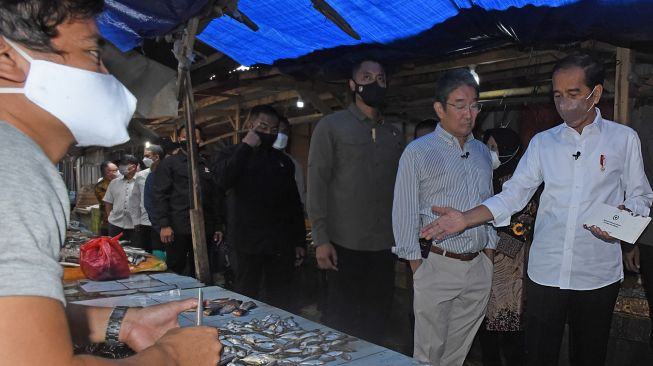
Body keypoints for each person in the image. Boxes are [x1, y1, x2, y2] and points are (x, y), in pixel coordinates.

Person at [0, 1, 221, 365]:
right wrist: (174, 357)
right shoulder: (15, 167)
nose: (106, 74)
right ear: (7, 59)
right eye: (91, 52)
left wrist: (122, 322)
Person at [422, 54, 653, 366]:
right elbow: (513, 195)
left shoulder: (623, 139)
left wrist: (621, 217)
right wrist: (465, 219)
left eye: (573, 94)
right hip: (546, 273)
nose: (563, 103)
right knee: (539, 355)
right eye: (557, 95)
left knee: (590, 355)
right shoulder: (544, 143)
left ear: (595, 94)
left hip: (596, 273)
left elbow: (641, 196)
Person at [392, 68, 497, 366]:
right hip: (436, 264)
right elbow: (404, 213)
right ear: (440, 108)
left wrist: (489, 252)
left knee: (457, 353)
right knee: (428, 354)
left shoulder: (480, 152)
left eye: (474, 105)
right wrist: (418, 267)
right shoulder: (418, 152)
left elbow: (488, 204)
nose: (469, 113)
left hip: (478, 266)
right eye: (460, 105)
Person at [307, 59, 404, 344]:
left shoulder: (394, 133)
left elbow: (401, 189)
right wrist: (320, 239)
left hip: (384, 245)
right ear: (353, 85)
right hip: (343, 245)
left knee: (377, 321)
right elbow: (317, 182)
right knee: (342, 322)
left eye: (381, 78)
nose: (375, 83)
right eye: (367, 77)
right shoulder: (331, 126)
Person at [212, 105, 306, 311]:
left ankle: (278, 338)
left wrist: (299, 241)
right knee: (246, 295)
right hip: (246, 242)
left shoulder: (283, 162)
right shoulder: (230, 153)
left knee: (281, 299)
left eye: (273, 130)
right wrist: (245, 147)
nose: (269, 134)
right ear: (249, 125)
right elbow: (222, 181)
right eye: (263, 127)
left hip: (279, 243)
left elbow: (293, 203)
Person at [479, 128, 534, 366]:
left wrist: (492, 250)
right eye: (488, 148)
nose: (492, 153)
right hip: (483, 266)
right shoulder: (484, 178)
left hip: (509, 271)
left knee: (509, 334)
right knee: (485, 333)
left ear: (509, 149)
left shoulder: (521, 181)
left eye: (495, 148)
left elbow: (522, 224)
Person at [151, 126, 221, 275]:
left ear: (200, 141)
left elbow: (215, 196)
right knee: (177, 268)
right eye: (185, 137)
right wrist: (164, 224)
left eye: (195, 138)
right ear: (179, 139)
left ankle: (200, 297)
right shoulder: (169, 164)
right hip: (178, 228)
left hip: (204, 227)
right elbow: (160, 195)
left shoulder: (207, 164)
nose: (190, 140)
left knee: (203, 269)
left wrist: (218, 226)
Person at [103, 154, 141, 244]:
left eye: (124, 164)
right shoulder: (114, 182)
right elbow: (108, 202)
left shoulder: (142, 181)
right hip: (115, 225)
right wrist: (110, 217)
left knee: (135, 253)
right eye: (120, 164)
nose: (120, 167)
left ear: (133, 167)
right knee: (114, 252)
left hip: (135, 226)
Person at [135, 144, 163, 253]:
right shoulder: (141, 175)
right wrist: (136, 220)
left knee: (161, 251)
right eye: (144, 156)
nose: (144, 159)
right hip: (145, 221)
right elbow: (135, 199)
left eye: (147, 156)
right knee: (146, 251)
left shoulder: (166, 172)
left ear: (156, 157)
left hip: (161, 222)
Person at [274, 116, 306, 206]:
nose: (280, 134)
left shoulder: (295, 165)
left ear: (288, 134)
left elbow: (300, 198)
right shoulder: (257, 160)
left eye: (283, 131)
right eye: (276, 131)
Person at [95, 160, 119, 235]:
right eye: (114, 170)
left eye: (117, 170)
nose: (117, 172)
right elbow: (107, 202)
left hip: (121, 220)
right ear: (107, 172)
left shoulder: (119, 182)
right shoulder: (100, 186)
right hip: (107, 221)